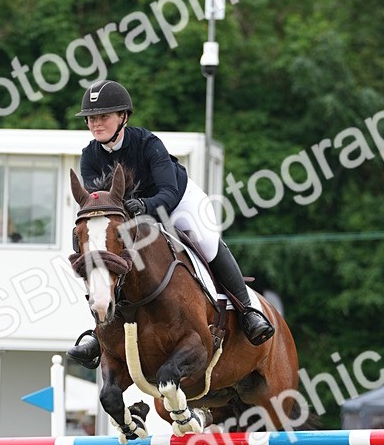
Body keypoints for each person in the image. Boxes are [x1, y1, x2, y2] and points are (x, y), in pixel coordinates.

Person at [66, 79, 275, 368]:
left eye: (103, 116)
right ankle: (98, 330)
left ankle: (248, 311)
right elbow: (98, 203)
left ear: (123, 117)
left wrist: (144, 206)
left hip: (176, 203)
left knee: (206, 243)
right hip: (131, 218)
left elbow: (169, 192)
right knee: (99, 252)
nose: (96, 124)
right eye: (91, 118)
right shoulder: (90, 155)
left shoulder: (148, 144)